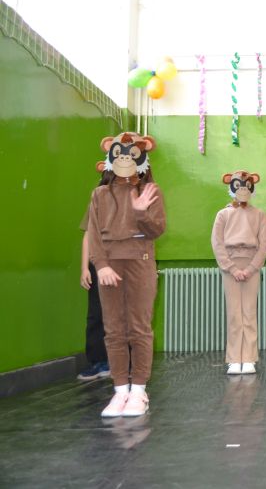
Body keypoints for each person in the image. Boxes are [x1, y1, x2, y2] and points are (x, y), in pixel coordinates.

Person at [87, 132, 165, 417]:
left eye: (130, 154)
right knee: (114, 329)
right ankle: (120, 390)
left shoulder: (151, 191)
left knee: (139, 328)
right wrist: (101, 265)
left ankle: (139, 391)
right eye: (118, 153)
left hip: (140, 263)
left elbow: (157, 229)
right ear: (110, 155)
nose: (124, 159)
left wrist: (141, 211)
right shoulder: (99, 194)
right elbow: (93, 233)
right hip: (109, 266)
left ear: (142, 157)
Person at [212, 170, 266, 375]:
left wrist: (251, 268)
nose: (243, 189)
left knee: (249, 312)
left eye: (247, 185)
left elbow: (265, 244)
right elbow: (217, 243)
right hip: (230, 265)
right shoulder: (223, 214)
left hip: (251, 264)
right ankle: (233, 359)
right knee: (234, 314)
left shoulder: (260, 215)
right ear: (231, 187)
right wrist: (231, 268)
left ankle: (248, 358)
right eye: (239, 185)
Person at [77, 198, 110, 381]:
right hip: (98, 265)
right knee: (96, 314)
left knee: (126, 315)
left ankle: (126, 363)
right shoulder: (97, 199)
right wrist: (84, 268)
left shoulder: (135, 196)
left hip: (124, 263)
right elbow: (88, 235)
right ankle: (98, 362)